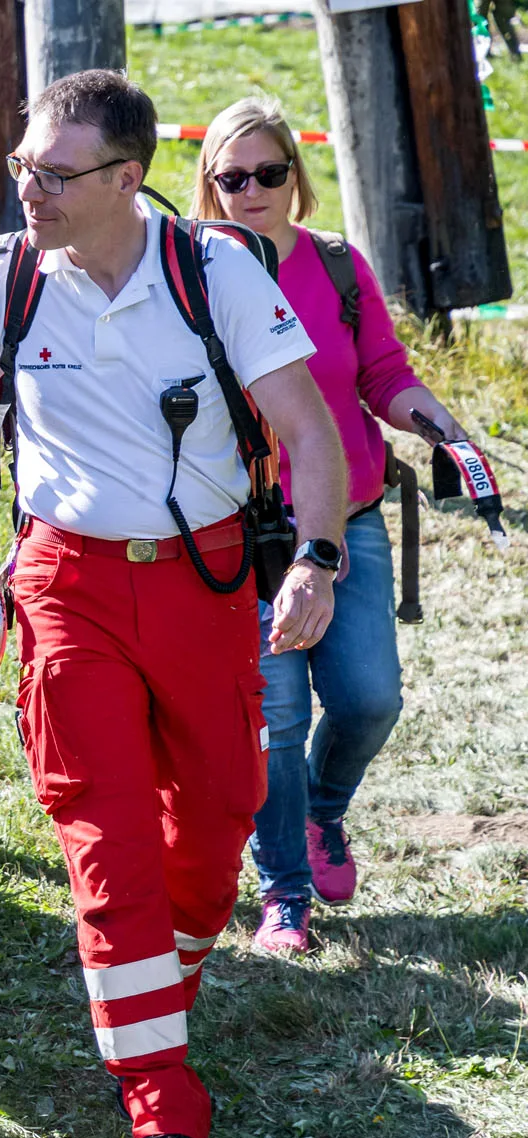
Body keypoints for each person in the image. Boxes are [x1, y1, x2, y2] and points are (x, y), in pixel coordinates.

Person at [0, 71, 347, 1138]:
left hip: (205, 582)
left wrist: (316, 557)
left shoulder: (216, 270)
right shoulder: (2, 275)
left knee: (214, 832)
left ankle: (151, 988)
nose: (28, 188)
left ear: (126, 178)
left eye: (55, 174)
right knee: (107, 846)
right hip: (65, 585)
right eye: (22, 165)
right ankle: (162, 1105)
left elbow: (308, 428)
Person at [193, 97, 470, 954]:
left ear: (295, 176)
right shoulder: (191, 273)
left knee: (369, 698)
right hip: (246, 536)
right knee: (275, 716)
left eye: (269, 173)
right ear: (209, 186)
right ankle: (284, 891)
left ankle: (322, 810)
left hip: (348, 521)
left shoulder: (339, 266)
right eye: (232, 179)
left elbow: (383, 372)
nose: (252, 191)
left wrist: (438, 423)